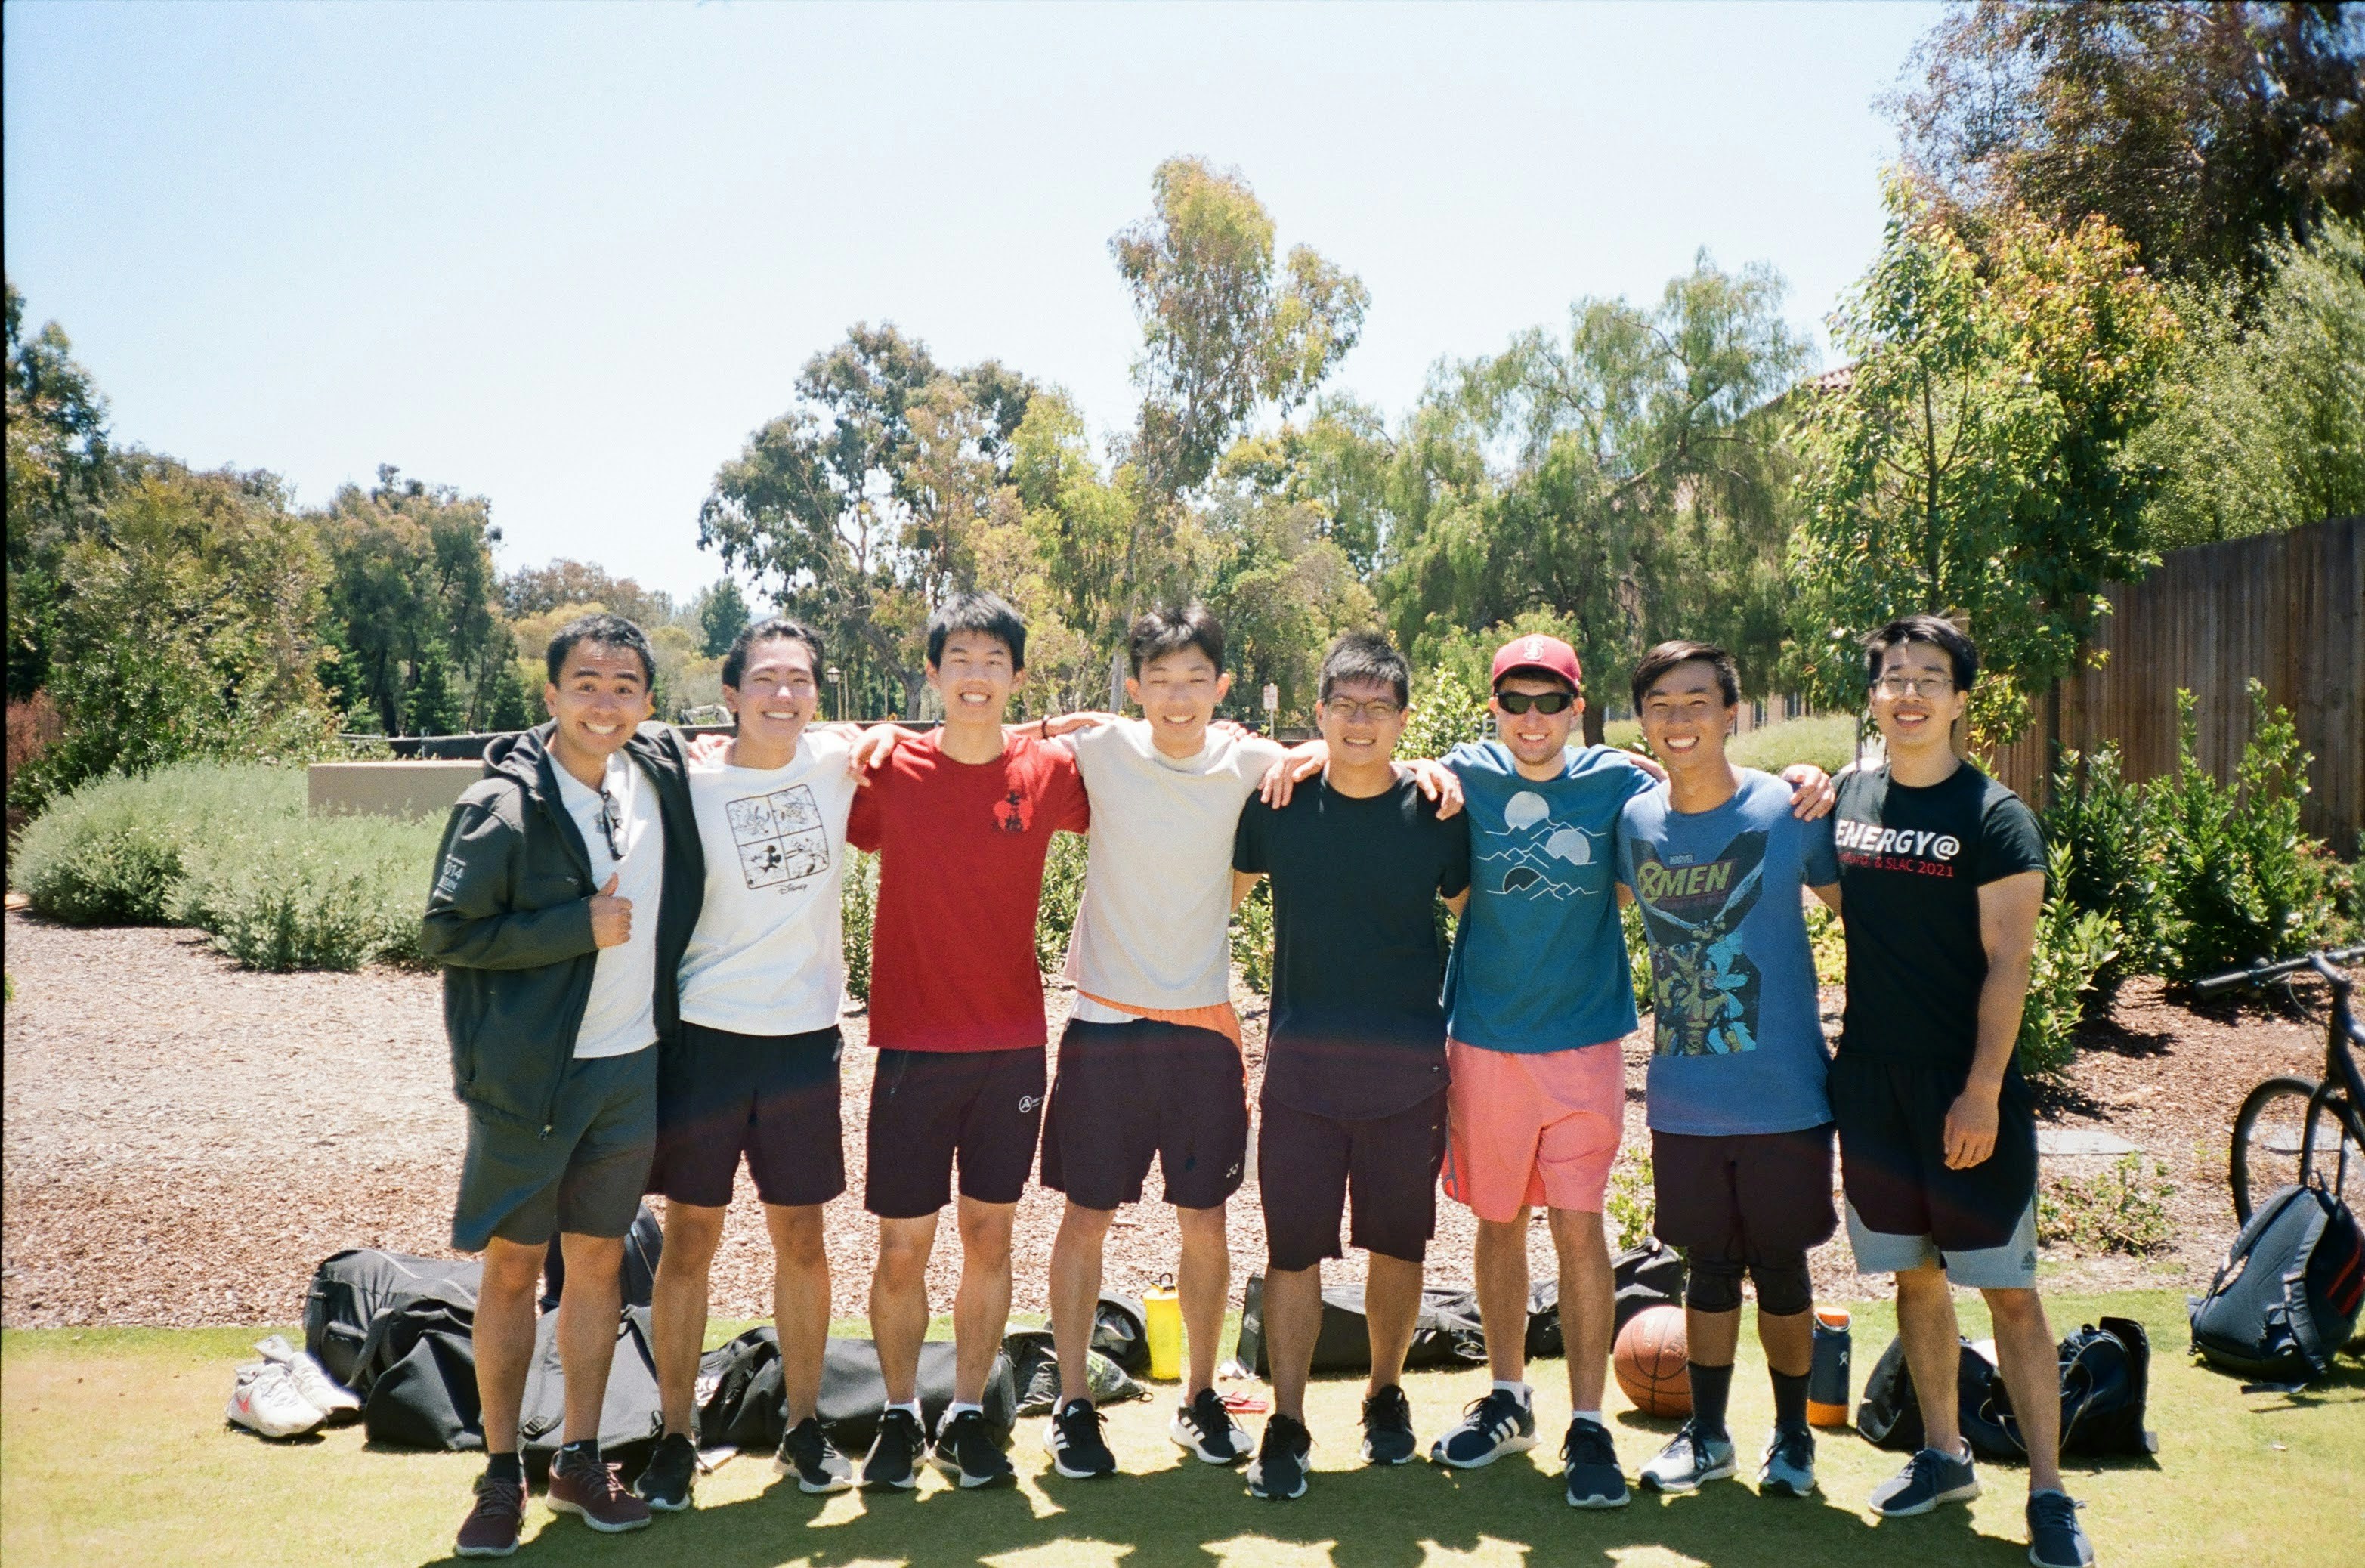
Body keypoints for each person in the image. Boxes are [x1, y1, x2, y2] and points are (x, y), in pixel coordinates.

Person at [424, 613, 704, 1557]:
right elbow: (447, 932)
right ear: (551, 694)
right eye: (585, 683)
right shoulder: (501, 805)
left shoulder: (653, 769)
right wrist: (572, 927)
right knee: (511, 1266)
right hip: (531, 1080)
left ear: (648, 702)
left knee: (596, 1264)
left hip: (631, 1066)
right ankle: (500, 1473)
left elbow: (767, 730)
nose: (604, 702)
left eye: (624, 686)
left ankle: (579, 1460)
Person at [1829, 615, 2094, 1568]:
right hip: (1870, 1080)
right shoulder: (1848, 796)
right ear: (1873, 695)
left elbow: (2009, 963)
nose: (1908, 692)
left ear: (1959, 699)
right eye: (1893, 676)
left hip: (1963, 1085)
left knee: (2009, 1291)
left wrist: (1981, 1090)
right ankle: (1943, 1454)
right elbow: (1841, 893)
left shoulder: (1995, 816)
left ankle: (2050, 1491)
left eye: (1929, 677)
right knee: (1914, 1274)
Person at [1036, 603, 1291, 1480]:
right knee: (1085, 1217)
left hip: (1201, 1033)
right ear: (1133, 685)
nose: (1177, 698)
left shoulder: (1253, 761)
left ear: (1222, 685)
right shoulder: (1101, 745)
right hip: (1104, 1025)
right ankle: (1072, 1402)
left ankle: (1198, 1396)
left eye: (1194, 680)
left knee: (1205, 1223)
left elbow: (1342, 754)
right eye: (1159, 680)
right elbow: (986, 735)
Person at [844, 592, 1092, 1491]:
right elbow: (780, 756)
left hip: (1011, 1048)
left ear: (1017, 675)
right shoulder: (888, 769)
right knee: (901, 1248)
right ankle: (897, 1413)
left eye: (993, 660)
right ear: (933, 672)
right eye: (960, 658)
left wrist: (1061, 726)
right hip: (912, 1048)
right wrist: (865, 733)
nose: (976, 675)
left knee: (989, 1235)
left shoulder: (1049, 769)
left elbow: (1151, 752)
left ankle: (965, 1414)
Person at [1229, 633, 1471, 1502]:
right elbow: (1214, 897)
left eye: (1378, 706)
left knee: (1396, 1246)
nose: (1360, 720)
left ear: (1402, 719)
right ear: (1319, 712)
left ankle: (1384, 1393)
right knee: (1292, 1251)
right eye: (1344, 704)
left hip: (1408, 1073)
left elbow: (1479, 917)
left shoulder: (1438, 812)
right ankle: (1287, 1420)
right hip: (1300, 1073)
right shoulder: (1278, 803)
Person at [635, 617, 868, 1510]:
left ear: (818, 693)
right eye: (765, 678)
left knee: (801, 1237)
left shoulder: (839, 759)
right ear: (730, 693)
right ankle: (674, 1436)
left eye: (799, 679)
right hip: (705, 1037)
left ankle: (803, 1427)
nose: (783, 693)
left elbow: (975, 726)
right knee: (689, 1238)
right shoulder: (687, 780)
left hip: (804, 1040)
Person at [1613, 641, 1841, 1501]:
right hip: (1686, 1096)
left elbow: (1869, 916)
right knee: (1705, 1267)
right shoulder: (1634, 822)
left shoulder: (1787, 807)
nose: (1679, 720)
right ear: (1643, 720)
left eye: (1697, 701)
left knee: (1781, 1267)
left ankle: (1792, 1439)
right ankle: (1707, 1435)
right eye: (1661, 705)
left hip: (1784, 1094)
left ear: (1731, 713)